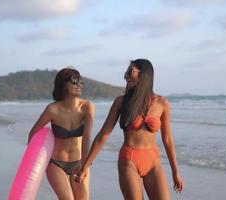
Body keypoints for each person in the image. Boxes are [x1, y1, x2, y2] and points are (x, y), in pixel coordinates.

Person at [75, 59, 184, 199]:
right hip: (129, 160)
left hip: (153, 161)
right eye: (126, 72)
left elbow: (167, 139)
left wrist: (175, 171)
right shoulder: (121, 102)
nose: (126, 76)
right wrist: (85, 165)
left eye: (130, 72)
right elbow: (103, 135)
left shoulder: (162, 103)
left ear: (144, 75)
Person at [28, 68, 94, 200]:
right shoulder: (53, 110)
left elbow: (87, 138)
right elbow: (33, 133)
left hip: (79, 162)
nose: (79, 84)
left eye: (80, 81)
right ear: (63, 85)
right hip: (56, 163)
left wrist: (84, 165)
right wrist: (36, 163)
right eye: (75, 81)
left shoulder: (87, 107)